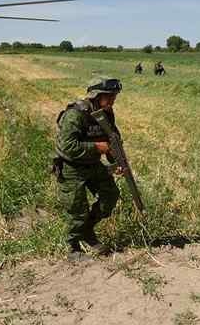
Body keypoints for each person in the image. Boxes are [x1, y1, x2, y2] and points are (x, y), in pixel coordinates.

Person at [53, 76, 123, 261]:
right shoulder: (75, 114)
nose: (112, 101)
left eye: (114, 97)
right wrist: (96, 148)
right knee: (78, 210)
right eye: (109, 97)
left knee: (110, 196)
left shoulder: (106, 113)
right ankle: (73, 248)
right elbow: (66, 147)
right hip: (72, 168)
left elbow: (112, 139)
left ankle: (87, 231)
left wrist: (116, 161)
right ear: (95, 96)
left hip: (93, 164)